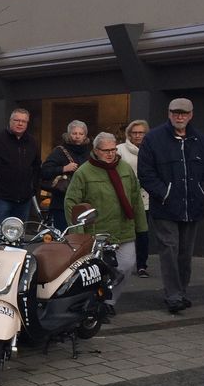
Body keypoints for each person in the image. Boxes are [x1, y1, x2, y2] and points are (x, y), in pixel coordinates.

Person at [138, 98, 204, 314]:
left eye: (183, 113)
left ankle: (181, 292)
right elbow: (146, 173)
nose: (179, 116)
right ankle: (173, 295)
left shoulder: (200, 140)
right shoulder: (153, 139)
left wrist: (203, 192)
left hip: (192, 207)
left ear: (191, 114)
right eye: (175, 112)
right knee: (169, 249)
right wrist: (164, 193)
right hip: (165, 208)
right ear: (169, 113)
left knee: (185, 253)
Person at [63, 132, 147, 317]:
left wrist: (141, 227)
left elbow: (135, 198)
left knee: (126, 266)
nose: (110, 154)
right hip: (97, 232)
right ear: (96, 150)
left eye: (113, 149)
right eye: (106, 150)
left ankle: (109, 300)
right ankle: (96, 302)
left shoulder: (124, 168)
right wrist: (79, 232)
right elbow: (71, 202)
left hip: (124, 229)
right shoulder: (84, 172)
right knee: (97, 270)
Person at [0, 109, 41, 235]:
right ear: (10, 121)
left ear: (27, 123)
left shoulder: (32, 142)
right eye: (17, 120)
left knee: (18, 234)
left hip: (24, 198)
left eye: (23, 121)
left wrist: (34, 188)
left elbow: (37, 166)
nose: (20, 123)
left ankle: (17, 256)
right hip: (1, 196)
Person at [41, 120, 91, 231]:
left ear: (85, 136)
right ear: (69, 135)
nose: (77, 136)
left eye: (81, 134)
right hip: (62, 203)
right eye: (74, 133)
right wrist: (64, 168)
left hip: (84, 202)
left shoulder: (89, 153)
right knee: (64, 237)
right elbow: (44, 171)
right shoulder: (59, 151)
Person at [118, 120, 151, 278]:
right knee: (124, 231)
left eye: (141, 133)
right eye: (135, 133)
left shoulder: (152, 149)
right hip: (125, 197)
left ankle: (141, 265)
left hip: (146, 197)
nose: (138, 136)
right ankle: (121, 263)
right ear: (129, 134)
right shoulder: (120, 150)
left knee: (143, 232)